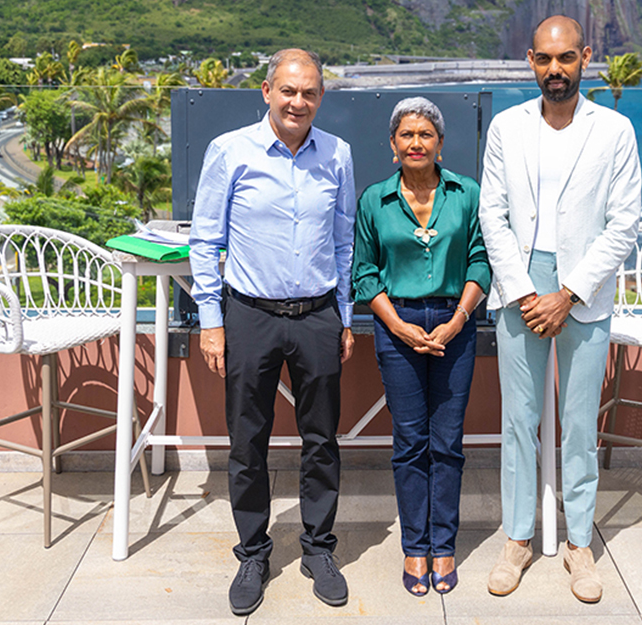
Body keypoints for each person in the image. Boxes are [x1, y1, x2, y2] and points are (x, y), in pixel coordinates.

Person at [478, 15, 642, 603]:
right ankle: (518, 539)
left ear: (586, 57)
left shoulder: (615, 130)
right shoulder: (506, 126)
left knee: (577, 425)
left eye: (566, 58)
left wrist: (567, 293)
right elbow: (491, 215)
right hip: (521, 285)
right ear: (530, 60)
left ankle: (579, 544)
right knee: (519, 420)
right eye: (545, 59)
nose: (555, 69)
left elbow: (623, 223)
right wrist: (526, 292)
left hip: (584, 290)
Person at [188, 48, 356, 616]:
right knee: (247, 442)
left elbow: (344, 241)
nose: (297, 102)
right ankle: (254, 553)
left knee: (322, 440)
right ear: (267, 92)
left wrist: (346, 315)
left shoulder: (338, 154)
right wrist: (212, 323)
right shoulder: (229, 151)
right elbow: (205, 242)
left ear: (320, 98)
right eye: (288, 91)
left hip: (317, 315)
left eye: (309, 93)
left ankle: (318, 548)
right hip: (249, 315)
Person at [352, 97, 490, 597]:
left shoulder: (466, 193)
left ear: (440, 143)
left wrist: (456, 321)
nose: (416, 143)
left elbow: (480, 261)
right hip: (397, 324)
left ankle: (444, 545)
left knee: (447, 442)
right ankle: (415, 547)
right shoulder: (374, 201)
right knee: (410, 442)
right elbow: (364, 274)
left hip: (457, 322)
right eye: (406, 135)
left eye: (425, 134)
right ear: (393, 145)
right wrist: (400, 327)